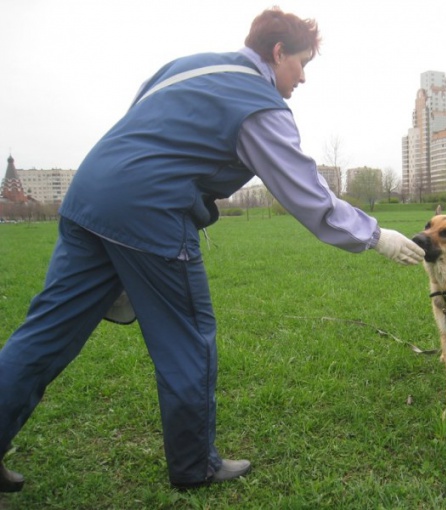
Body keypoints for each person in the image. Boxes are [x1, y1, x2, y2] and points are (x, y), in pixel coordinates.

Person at [0, 7, 424, 492]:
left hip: (88, 195)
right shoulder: (258, 103)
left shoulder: (190, 65)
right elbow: (305, 191)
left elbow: (143, 120)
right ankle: (194, 465)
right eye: (301, 63)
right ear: (277, 52)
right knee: (187, 341)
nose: (302, 77)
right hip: (150, 210)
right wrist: (376, 236)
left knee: (45, 333)